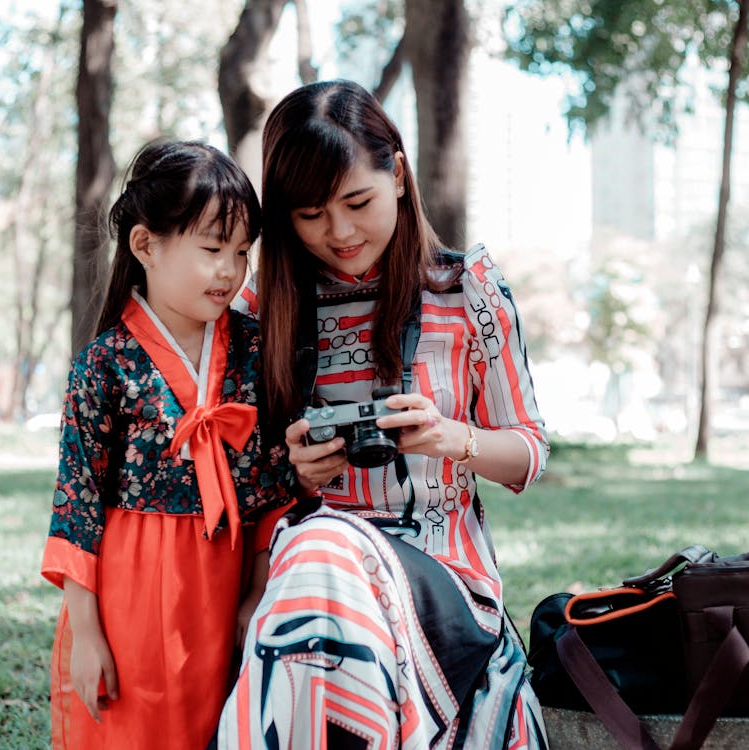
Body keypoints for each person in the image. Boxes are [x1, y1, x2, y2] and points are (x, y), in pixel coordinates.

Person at [212, 80, 551, 749]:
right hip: (309, 584)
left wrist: (448, 437)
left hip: (445, 585)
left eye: (356, 201)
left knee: (316, 549)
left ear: (397, 173)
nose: (337, 232)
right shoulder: (262, 313)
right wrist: (297, 473)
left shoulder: (467, 293)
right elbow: (239, 480)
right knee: (315, 547)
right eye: (309, 215)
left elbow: (528, 456)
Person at [41, 140, 292, 749]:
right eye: (211, 249)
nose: (230, 271)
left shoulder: (256, 351)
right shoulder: (103, 363)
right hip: (128, 587)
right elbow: (77, 504)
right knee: (133, 723)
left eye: (241, 252)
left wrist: (255, 593)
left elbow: (269, 483)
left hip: (225, 580)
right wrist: (88, 631)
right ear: (146, 245)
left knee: (218, 723)